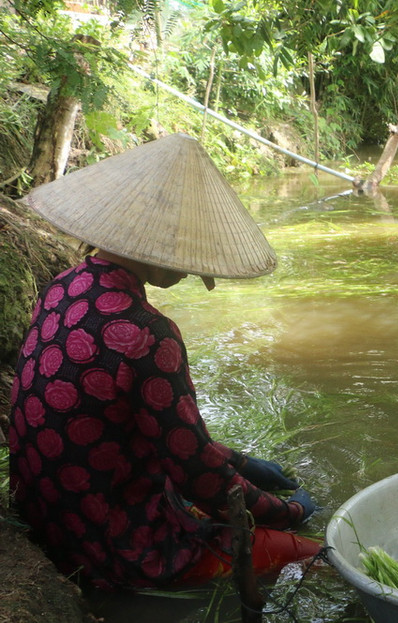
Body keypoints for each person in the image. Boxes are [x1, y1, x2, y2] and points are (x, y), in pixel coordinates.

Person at [7, 133, 321, 590]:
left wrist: (243, 462)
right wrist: (292, 512)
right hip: (111, 547)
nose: (194, 269)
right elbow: (199, 476)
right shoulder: (148, 334)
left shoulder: (64, 284)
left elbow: (166, 437)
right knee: (315, 556)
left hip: (46, 513)